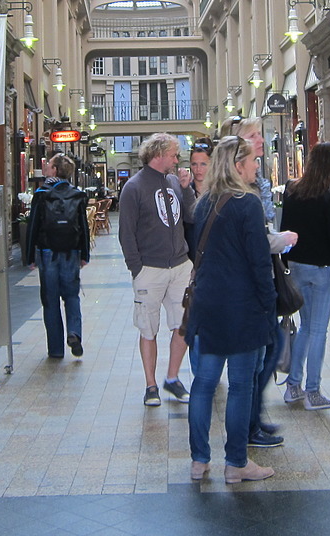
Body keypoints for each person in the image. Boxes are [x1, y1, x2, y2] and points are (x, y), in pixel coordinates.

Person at [184, 136, 277, 484]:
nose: (256, 165)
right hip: (242, 307)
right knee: (240, 386)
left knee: (204, 383)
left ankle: (199, 460)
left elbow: (198, 252)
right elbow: (259, 263)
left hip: (209, 304)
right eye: (252, 160)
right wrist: (270, 305)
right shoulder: (247, 204)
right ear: (238, 165)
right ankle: (236, 462)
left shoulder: (205, 203)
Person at [118, 133, 197, 406]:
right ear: (159, 154)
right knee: (148, 328)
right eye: (174, 155)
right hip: (149, 269)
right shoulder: (134, 187)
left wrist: (186, 189)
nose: (177, 160)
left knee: (183, 324)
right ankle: (150, 385)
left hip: (179, 265)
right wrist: (136, 269)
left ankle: (172, 378)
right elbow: (126, 232)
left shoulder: (174, 181)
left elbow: (190, 216)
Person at [231, 117, 296, 448]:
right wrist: (280, 239)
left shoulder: (258, 182)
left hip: (263, 276)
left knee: (268, 351)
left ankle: (254, 418)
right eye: (253, 136)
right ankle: (248, 426)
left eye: (259, 134)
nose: (260, 139)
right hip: (252, 282)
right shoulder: (242, 190)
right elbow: (254, 237)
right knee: (261, 355)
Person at [279, 143, 330, 410]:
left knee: (305, 327)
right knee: (318, 331)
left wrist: (285, 264)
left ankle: (293, 386)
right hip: (323, 270)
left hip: (298, 266)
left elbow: (284, 231)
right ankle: (313, 390)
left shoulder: (292, 189)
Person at [25, 153, 90, 359]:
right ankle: (74, 332)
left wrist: (29, 256)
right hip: (71, 252)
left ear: (55, 170)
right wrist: (85, 253)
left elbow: (33, 225)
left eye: (49, 165)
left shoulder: (42, 193)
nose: (45, 167)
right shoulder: (76, 194)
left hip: (47, 252)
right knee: (71, 296)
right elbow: (84, 226)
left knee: (50, 300)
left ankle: (55, 349)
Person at [185, 142, 212, 241]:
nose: (198, 169)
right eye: (194, 164)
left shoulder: (219, 193)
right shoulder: (185, 192)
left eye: (203, 164)